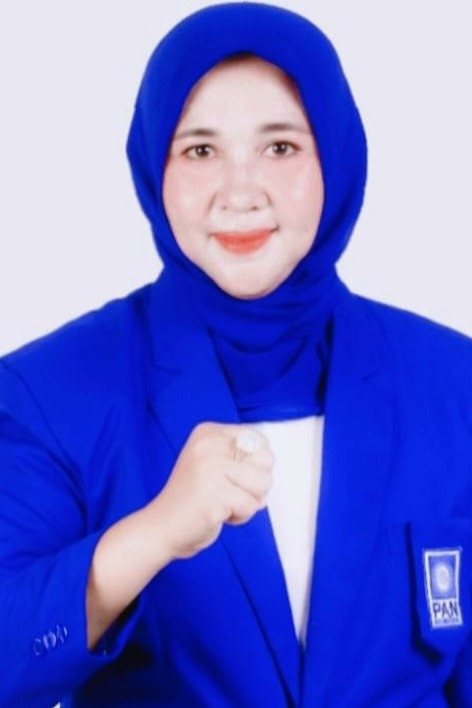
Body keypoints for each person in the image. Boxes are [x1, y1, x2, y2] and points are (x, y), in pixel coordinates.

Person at [0, 2, 471, 706]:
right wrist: (152, 534)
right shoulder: (51, 392)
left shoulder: (454, 383)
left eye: (279, 147)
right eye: (200, 151)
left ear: (336, 158)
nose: (240, 192)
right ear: (154, 168)